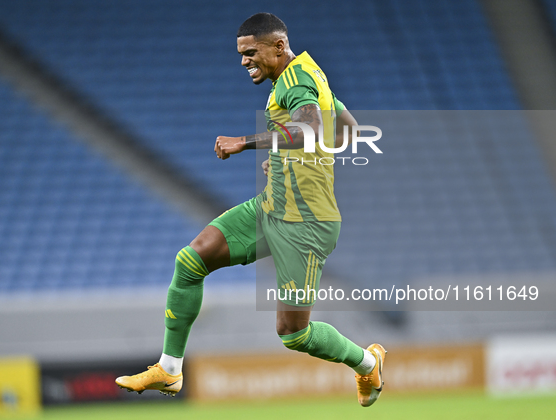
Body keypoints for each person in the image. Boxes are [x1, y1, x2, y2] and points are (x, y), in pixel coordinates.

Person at [115, 12, 386, 407]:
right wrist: (287, 159)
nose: (244, 61)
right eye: (241, 54)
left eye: (250, 52)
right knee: (191, 260)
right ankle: (169, 370)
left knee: (294, 334)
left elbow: (310, 128)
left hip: (305, 222)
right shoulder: (310, 74)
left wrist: (245, 141)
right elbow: (347, 129)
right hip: (273, 206)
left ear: (278, 46)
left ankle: (367, 363)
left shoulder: (300, 80)